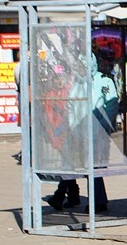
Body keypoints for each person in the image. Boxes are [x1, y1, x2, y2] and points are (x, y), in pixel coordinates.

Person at [46, 51, 119, 212]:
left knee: (94, 167)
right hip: (78, 132)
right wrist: (71, 128)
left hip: (97, 133)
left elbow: (112, 106)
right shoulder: (78, 83)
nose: (79, 67)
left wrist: (100, 127)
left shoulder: (104, 82)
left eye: (82, 64)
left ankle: (96, 201)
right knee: (73, 165)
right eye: (78, 64)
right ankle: (70, 196)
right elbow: (72, 107)